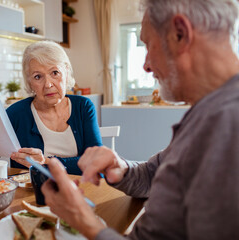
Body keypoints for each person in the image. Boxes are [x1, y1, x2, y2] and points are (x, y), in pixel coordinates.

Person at [42, 0, 239, 239]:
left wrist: (83, 220)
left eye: (148, 44)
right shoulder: (208, 110)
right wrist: (122, 169)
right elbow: (154, 173)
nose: (145, 65)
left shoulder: (228, 126)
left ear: (180, 34)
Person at [0, 41, 102, 175]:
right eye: (38, 77)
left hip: (83, 189)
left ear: (66, 73)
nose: (48, 84)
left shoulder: (83, 106)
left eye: (55, 72)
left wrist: (46, 161)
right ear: (29, 83)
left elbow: (96, 160)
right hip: (33, 195)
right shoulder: (16, 114)